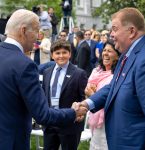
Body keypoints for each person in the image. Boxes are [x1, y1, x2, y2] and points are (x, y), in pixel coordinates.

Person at [0, 9, 87, 150]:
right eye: (36, 31)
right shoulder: (24, 64)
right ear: (23, 30)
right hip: (11, 142)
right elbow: (42, 114)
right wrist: (73, 112)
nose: (38, 37)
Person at [75, 7, 145, 150]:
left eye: (115, 29)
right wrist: (87, 104)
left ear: (132, 31)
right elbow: (114, 86)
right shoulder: (127, 54)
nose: (111, 34)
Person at [42, 40, 88, 150]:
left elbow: (83, 97)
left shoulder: (79, 73)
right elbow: (44, 94)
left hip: (70, 123)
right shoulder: (47, 72)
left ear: (70, 54)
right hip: (51, 121)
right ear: (52, 55)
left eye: (64, 52)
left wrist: (81, 113)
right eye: (57, 53)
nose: (61, 56)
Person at [85, 40, 120, 150]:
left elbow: (112, 98)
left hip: (109, 121)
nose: (105, 53)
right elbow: (88, 93)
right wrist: (89, 93)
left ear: (118, 56)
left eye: (110, 51)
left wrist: (93, 94)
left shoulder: (117, 75)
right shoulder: (96, 71)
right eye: (104, 50)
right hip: (95, 118)